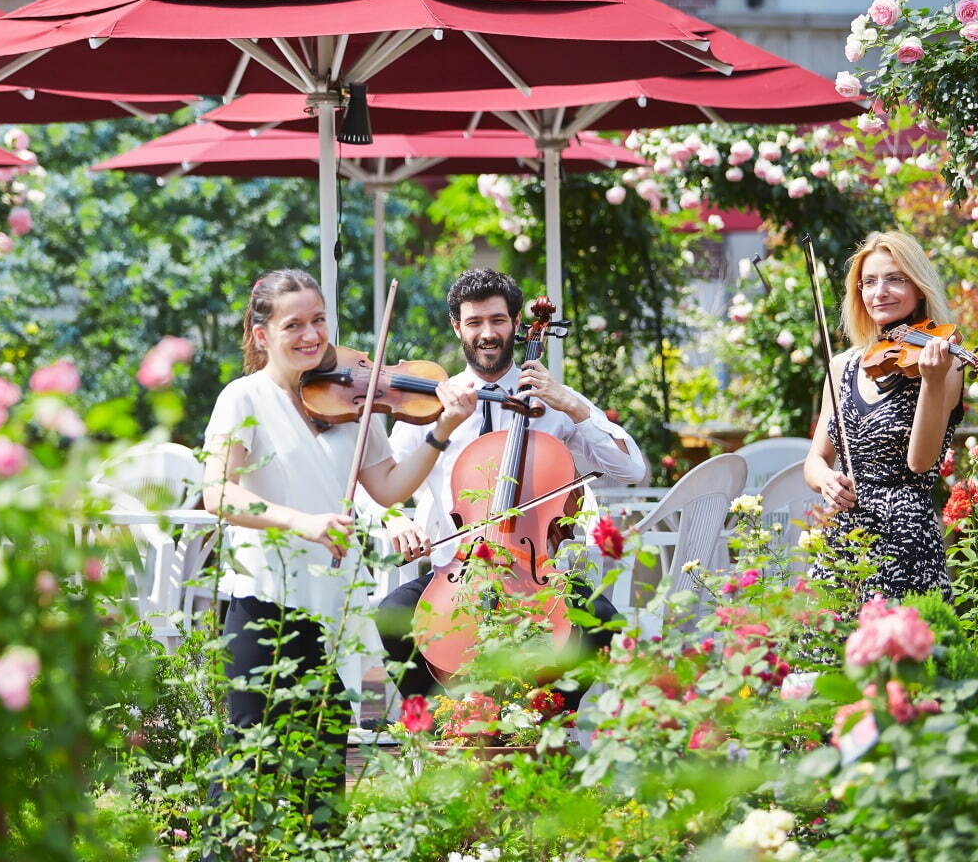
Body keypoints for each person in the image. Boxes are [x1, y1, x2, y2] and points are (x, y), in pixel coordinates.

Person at [200, 268, 473, 807]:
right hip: (265, 604)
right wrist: (303, 522)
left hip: (335, 611)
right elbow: (218, 495)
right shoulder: (243, 398)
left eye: (319, 320)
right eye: (293, 324)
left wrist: (441, 431)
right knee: (245, 772)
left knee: (321, 783)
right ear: (261, 336)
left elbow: (391, 488)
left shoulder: (355, 400)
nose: (311, 335)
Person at [380, 268, 647, 700]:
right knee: (392, 616)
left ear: (518, 323)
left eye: (497, 320)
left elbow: (633, 469)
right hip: (454, 576)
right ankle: (438, 732)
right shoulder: (433, 403)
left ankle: (546, 725)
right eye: (475, 322)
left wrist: (574, 406)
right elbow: (374, 483)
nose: (487, 333)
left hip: (535, 574)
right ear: (457, 327)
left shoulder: (554, 400)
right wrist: (393, 520)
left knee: (601, 624)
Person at [804, 231, 965, 602]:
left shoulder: (946, 364)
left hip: (905, 541)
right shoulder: (842, 366)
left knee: (900, 656)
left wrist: (932, 380)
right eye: (870, 282)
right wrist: (827, 480)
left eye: (895, 278)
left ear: (919, 287)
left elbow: (921, 462)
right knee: (826, 653)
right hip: (845, 538)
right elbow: (815, 459)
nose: (881, 292)